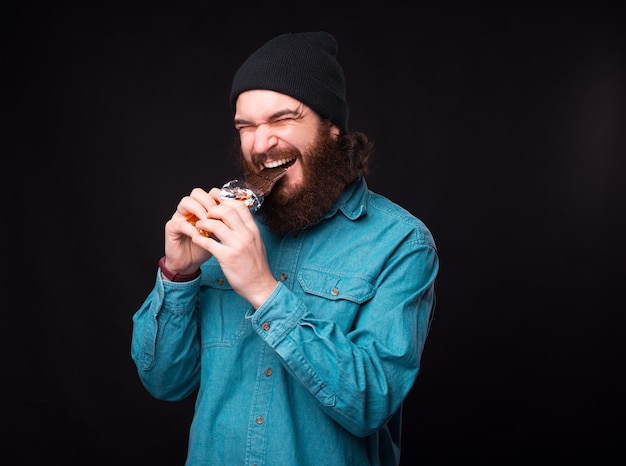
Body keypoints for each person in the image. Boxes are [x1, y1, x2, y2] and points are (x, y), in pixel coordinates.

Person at [131, 31, 439, 466]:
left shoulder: (400, 242)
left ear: (332, 128)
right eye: (246, 126)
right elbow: (165, 382)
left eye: (282, 119)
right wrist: (178, 274)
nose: (261, 143)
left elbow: (371, 403)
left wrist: (264, 290)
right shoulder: (224, 228)